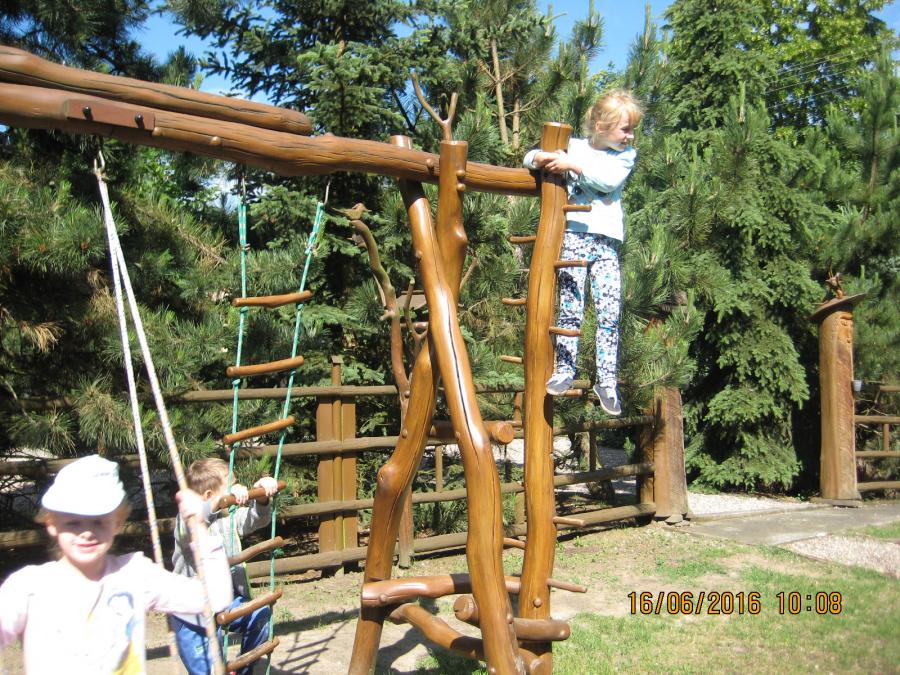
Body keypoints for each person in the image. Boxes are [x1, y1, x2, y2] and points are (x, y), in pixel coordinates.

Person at [0, 454, 233, 673]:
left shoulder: (134, 575)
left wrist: (199, 527)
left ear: (118, 522)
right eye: (73, 522)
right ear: (52, 523)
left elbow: (215, 598)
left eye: (99, 521)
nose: (87, 532)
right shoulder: (28, 588)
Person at [523, 89, 644, 415]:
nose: (630, 136)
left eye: (632, 130)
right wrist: (539, 158)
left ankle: (606, 380)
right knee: (570, 307)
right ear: (601, 125)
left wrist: (571, 166)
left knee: (609, 312)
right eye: (625, 129)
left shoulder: (624, 157)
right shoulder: (572, 146)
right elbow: (529, 158)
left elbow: (607, 182)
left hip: (605, 243)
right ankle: (564, 369)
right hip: (573, 238)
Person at [170, 458, 279, 675]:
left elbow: (255, 519)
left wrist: (262, 496)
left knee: (260, 614)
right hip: (191, 614)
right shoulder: (186, 520)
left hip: (225, 603)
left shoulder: (228, 517)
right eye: (231, 485)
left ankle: (242, 670)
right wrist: (219, 502)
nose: (237, 489)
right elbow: (193, 519)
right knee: (210, 669)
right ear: (209, 495)